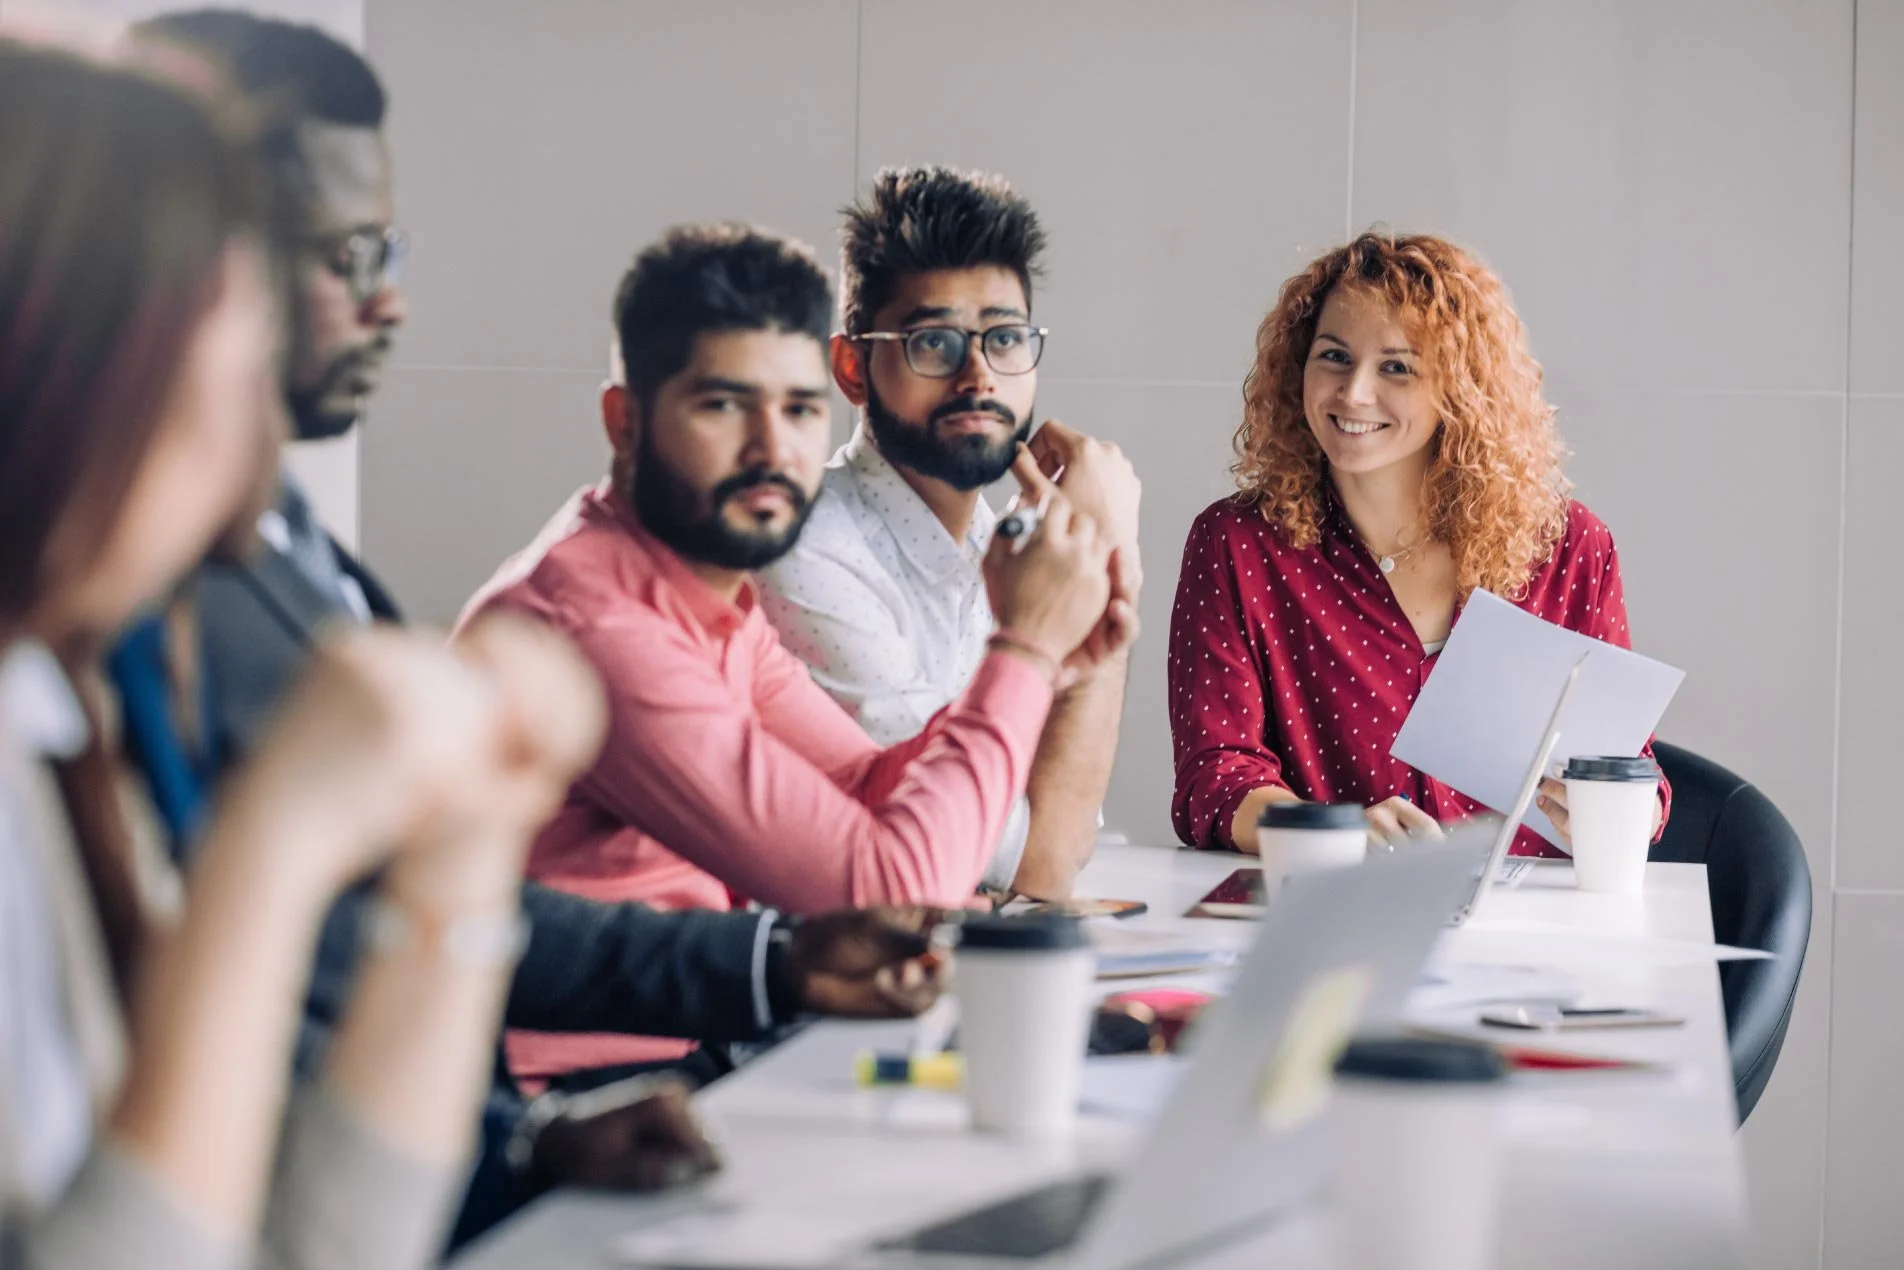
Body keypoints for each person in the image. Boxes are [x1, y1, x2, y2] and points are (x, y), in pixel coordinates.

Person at [113, 9, 956, 1244]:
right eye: (335, 253)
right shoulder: (152, 604)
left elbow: (409, 923)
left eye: (385, 247)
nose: (386, 301)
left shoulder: (293, 559)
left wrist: (543, 1135)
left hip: (462, 1154)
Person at [0, 35, 606, 1269]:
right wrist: (273, 847)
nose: (249, 434)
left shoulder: (52, 715)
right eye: (222, 367)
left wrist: (468, 848)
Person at [460, 222, 1118, 1084]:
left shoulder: (709, 591)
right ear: (625, 422)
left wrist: (1054, 661)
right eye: (723, 405)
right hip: (560, 1114)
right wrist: (1022, 649)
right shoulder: (597, 624)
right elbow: (889, 889)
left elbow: (868, 787)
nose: (775, 451)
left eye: (800, 409)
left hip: (690, 1057)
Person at [1168, 231, 1669, 856]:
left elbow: (1628, 769)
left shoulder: (1568, 550)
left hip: (1529, 931)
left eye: (1397, 367)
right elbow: (1213, 781)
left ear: (1459, 388)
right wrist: (1337, 833)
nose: (1353, 393)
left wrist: (1621, 808)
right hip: (1332, 917)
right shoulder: (1237, 545)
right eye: (1333, 356)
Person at [757, 166, 1139, 900]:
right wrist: (1106, 550)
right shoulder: (808, 552)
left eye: (1004, 337)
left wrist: (1086, 571)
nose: (978, 376)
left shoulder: (997, 542)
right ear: (852, 368)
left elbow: (1063, 818)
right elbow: (1034, 862)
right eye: (934, 342)